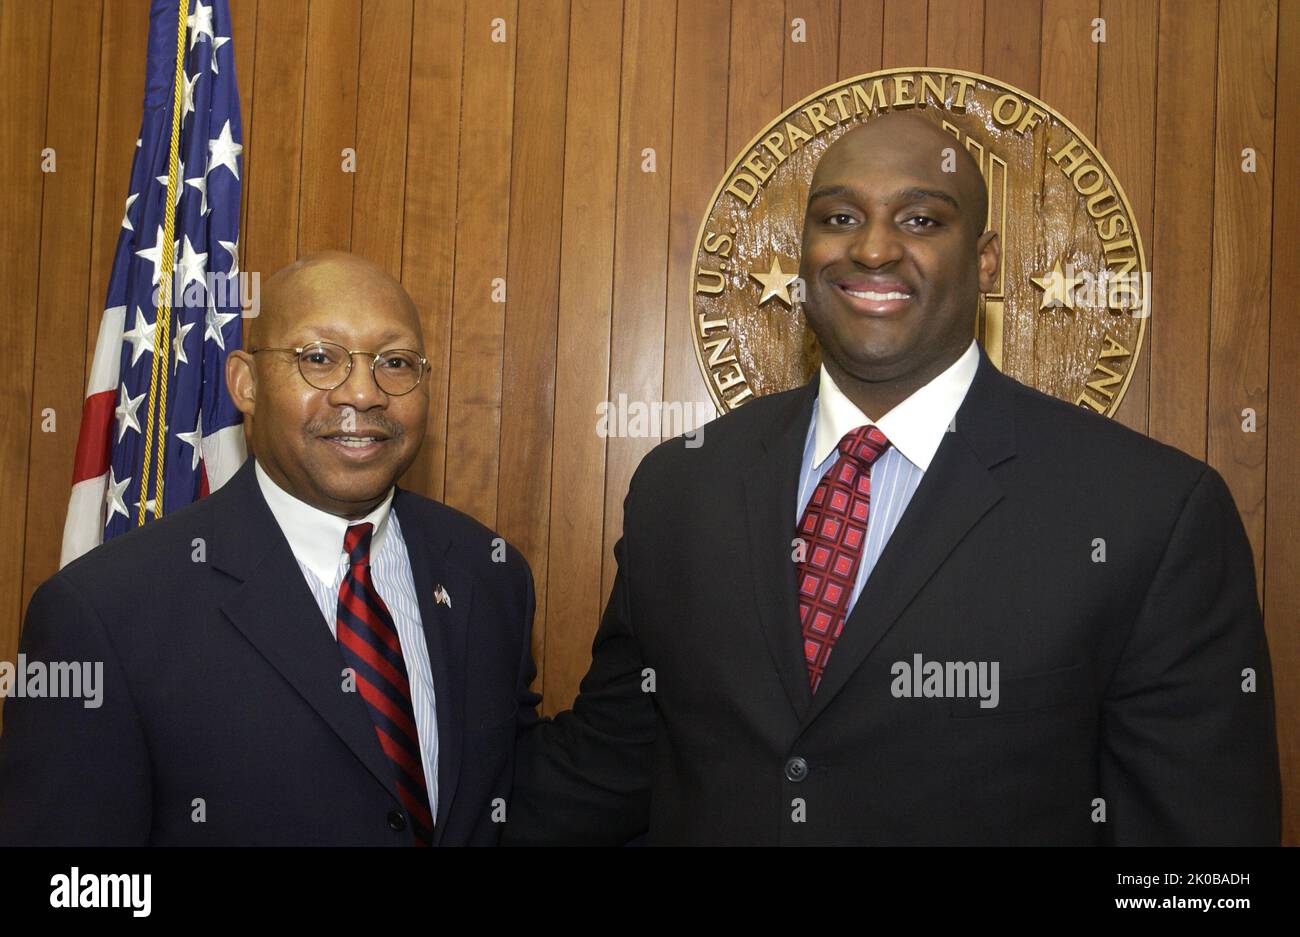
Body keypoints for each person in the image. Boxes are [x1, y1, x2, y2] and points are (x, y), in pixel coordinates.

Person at [505, 112, 1282, 845]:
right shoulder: (681, 486)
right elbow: (609, 763)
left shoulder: (1151, 511)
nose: (872, 249)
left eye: (920, 220)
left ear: (984, 260)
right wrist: (410, 781)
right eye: (838, 217)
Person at [0, 251, 537, 845]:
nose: (363, 393)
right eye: (319, 358)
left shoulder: (489, 575)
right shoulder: (103, 611)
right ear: (246, 384)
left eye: (396, 362)